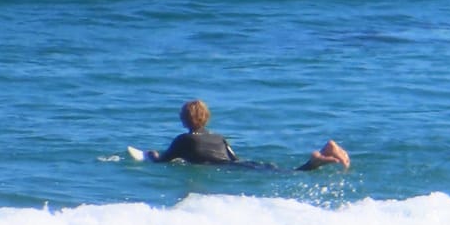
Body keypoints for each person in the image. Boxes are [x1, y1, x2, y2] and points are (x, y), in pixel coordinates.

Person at [128, 99, 350, 171]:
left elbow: (164, 160)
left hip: (226, 169)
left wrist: (151, 154)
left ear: (186, 119)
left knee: (291, 174)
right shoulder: (219, 137)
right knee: (284, 172)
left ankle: (316, 160)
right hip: (241, 164)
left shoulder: (184, 139)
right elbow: (234, 158)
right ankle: (322, 154)